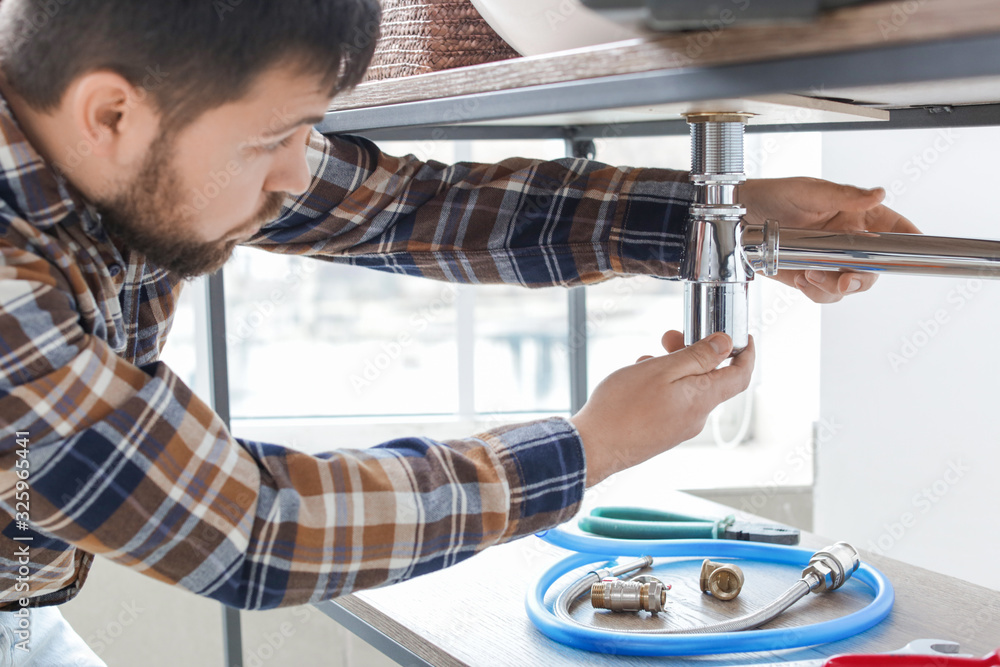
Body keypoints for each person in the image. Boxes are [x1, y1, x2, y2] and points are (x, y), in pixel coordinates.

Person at [0, 0, 918, 663]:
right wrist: (587, 448)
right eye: (271, 139)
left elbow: (410, 209)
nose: (295, 176)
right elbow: (253, 526)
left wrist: (718, 213)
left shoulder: (128, 138)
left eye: (305, 132)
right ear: (111, 113)